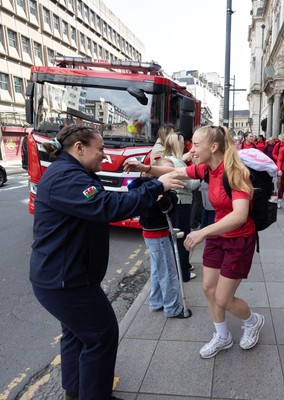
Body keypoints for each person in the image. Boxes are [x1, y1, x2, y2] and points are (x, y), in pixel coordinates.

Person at [29, 124, 185, 400]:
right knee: (101, 335)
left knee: (78, 335)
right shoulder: (67, 177)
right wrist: (157, 185)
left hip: (66, 276)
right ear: (79, 148)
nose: (104, 154)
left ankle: (76, 392)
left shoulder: (75, 172)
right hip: (65, 280)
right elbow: (106, 207)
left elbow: (108, 199)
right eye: (100, 149)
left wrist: (149, 186)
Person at [124, 125, 265, 359]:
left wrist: (202, 232)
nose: (192, 148)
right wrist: (145, 167)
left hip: (238, 239)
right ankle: (222, 336)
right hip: (218, 235)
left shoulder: (235, 172)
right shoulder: (207, 169)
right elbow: (179, 173)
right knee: (209, 289)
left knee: (224, 298)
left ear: (214, 146)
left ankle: (252, 321)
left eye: (196, 144)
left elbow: (240, 215)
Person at [128, 158, 191, 319]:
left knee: (158, 269)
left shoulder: (158, 191)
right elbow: (164, 209)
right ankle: (172, 308)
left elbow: (170, 207)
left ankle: (156, 302)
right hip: (157, 234)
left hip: (153, 233)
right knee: (168, 272)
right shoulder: (152, 190)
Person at [163, 132, 200, 282]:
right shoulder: (177, 162)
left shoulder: (170, 159)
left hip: (176, 203)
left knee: (178, 236)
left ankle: (184, 265)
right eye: (183, 142)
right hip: (181, 203)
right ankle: (182, 272)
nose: (185, 145)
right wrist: (200, 173)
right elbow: (190, 185)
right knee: (182, 238)